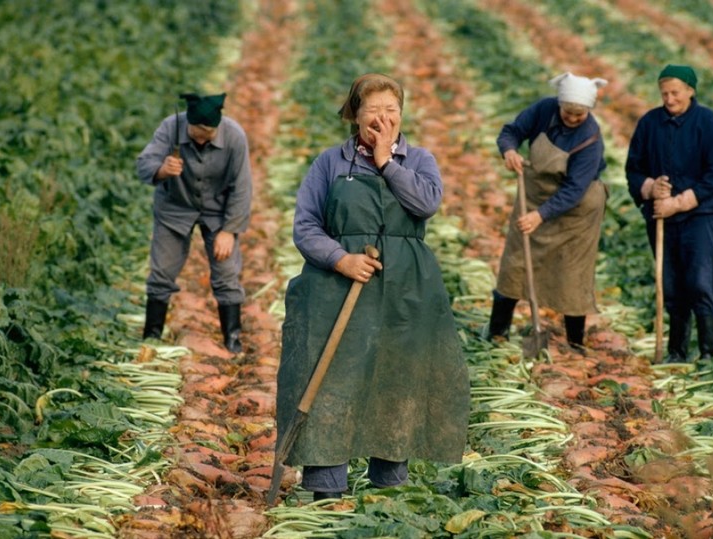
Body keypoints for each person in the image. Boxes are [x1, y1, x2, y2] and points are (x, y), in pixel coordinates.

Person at [275, 73, 470, 501]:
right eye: (374, 111)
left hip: (405, 291)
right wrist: (340, 258)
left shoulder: (419, 160)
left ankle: (387, 488)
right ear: (354, 116)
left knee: (397, 379)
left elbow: (425, 203)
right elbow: (306, 226)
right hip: (336, 289)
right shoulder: (329, 163)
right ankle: (327, 488)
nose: (384, 119)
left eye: (392, 111)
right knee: (333, 380)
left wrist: (386, 162)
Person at [484, 72, 609, 353]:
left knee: (572, 272)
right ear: (559, 103)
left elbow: (574, 189)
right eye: (569, 112)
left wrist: (540, 215)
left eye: (580, 114)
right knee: (515, 263)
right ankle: (496, 333)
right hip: (535, 193)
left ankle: (575, 344)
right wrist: (510, 151)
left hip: (577, 210)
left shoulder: (591, 138)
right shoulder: (543, 110)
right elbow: (511, 132)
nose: (573, 118)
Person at [136, 92, 252, 354]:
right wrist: (162, 170)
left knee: (226, 273)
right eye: (197, 133)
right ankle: (151, 336)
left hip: (218, 211)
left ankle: (232, 339)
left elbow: (242, 188)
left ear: (217, 127)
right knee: (161, 271)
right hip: (175, 208)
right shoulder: (170, 127)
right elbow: (143, 164)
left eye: (208, 134)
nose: (201, 138)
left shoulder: (234, 136)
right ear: (188, 123)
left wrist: (230, 231)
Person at [625, 65, 713, 363]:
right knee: (670, 283)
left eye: (675, 93)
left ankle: (708, 351)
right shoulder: (649, 123)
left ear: (691, 91)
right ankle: (676, 351)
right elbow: (633, 169)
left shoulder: (707, 122)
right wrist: (649, 187)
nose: (669, 99)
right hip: (660, 217)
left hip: (699, 214)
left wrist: (679, 202)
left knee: (698, 279)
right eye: (664, 93)